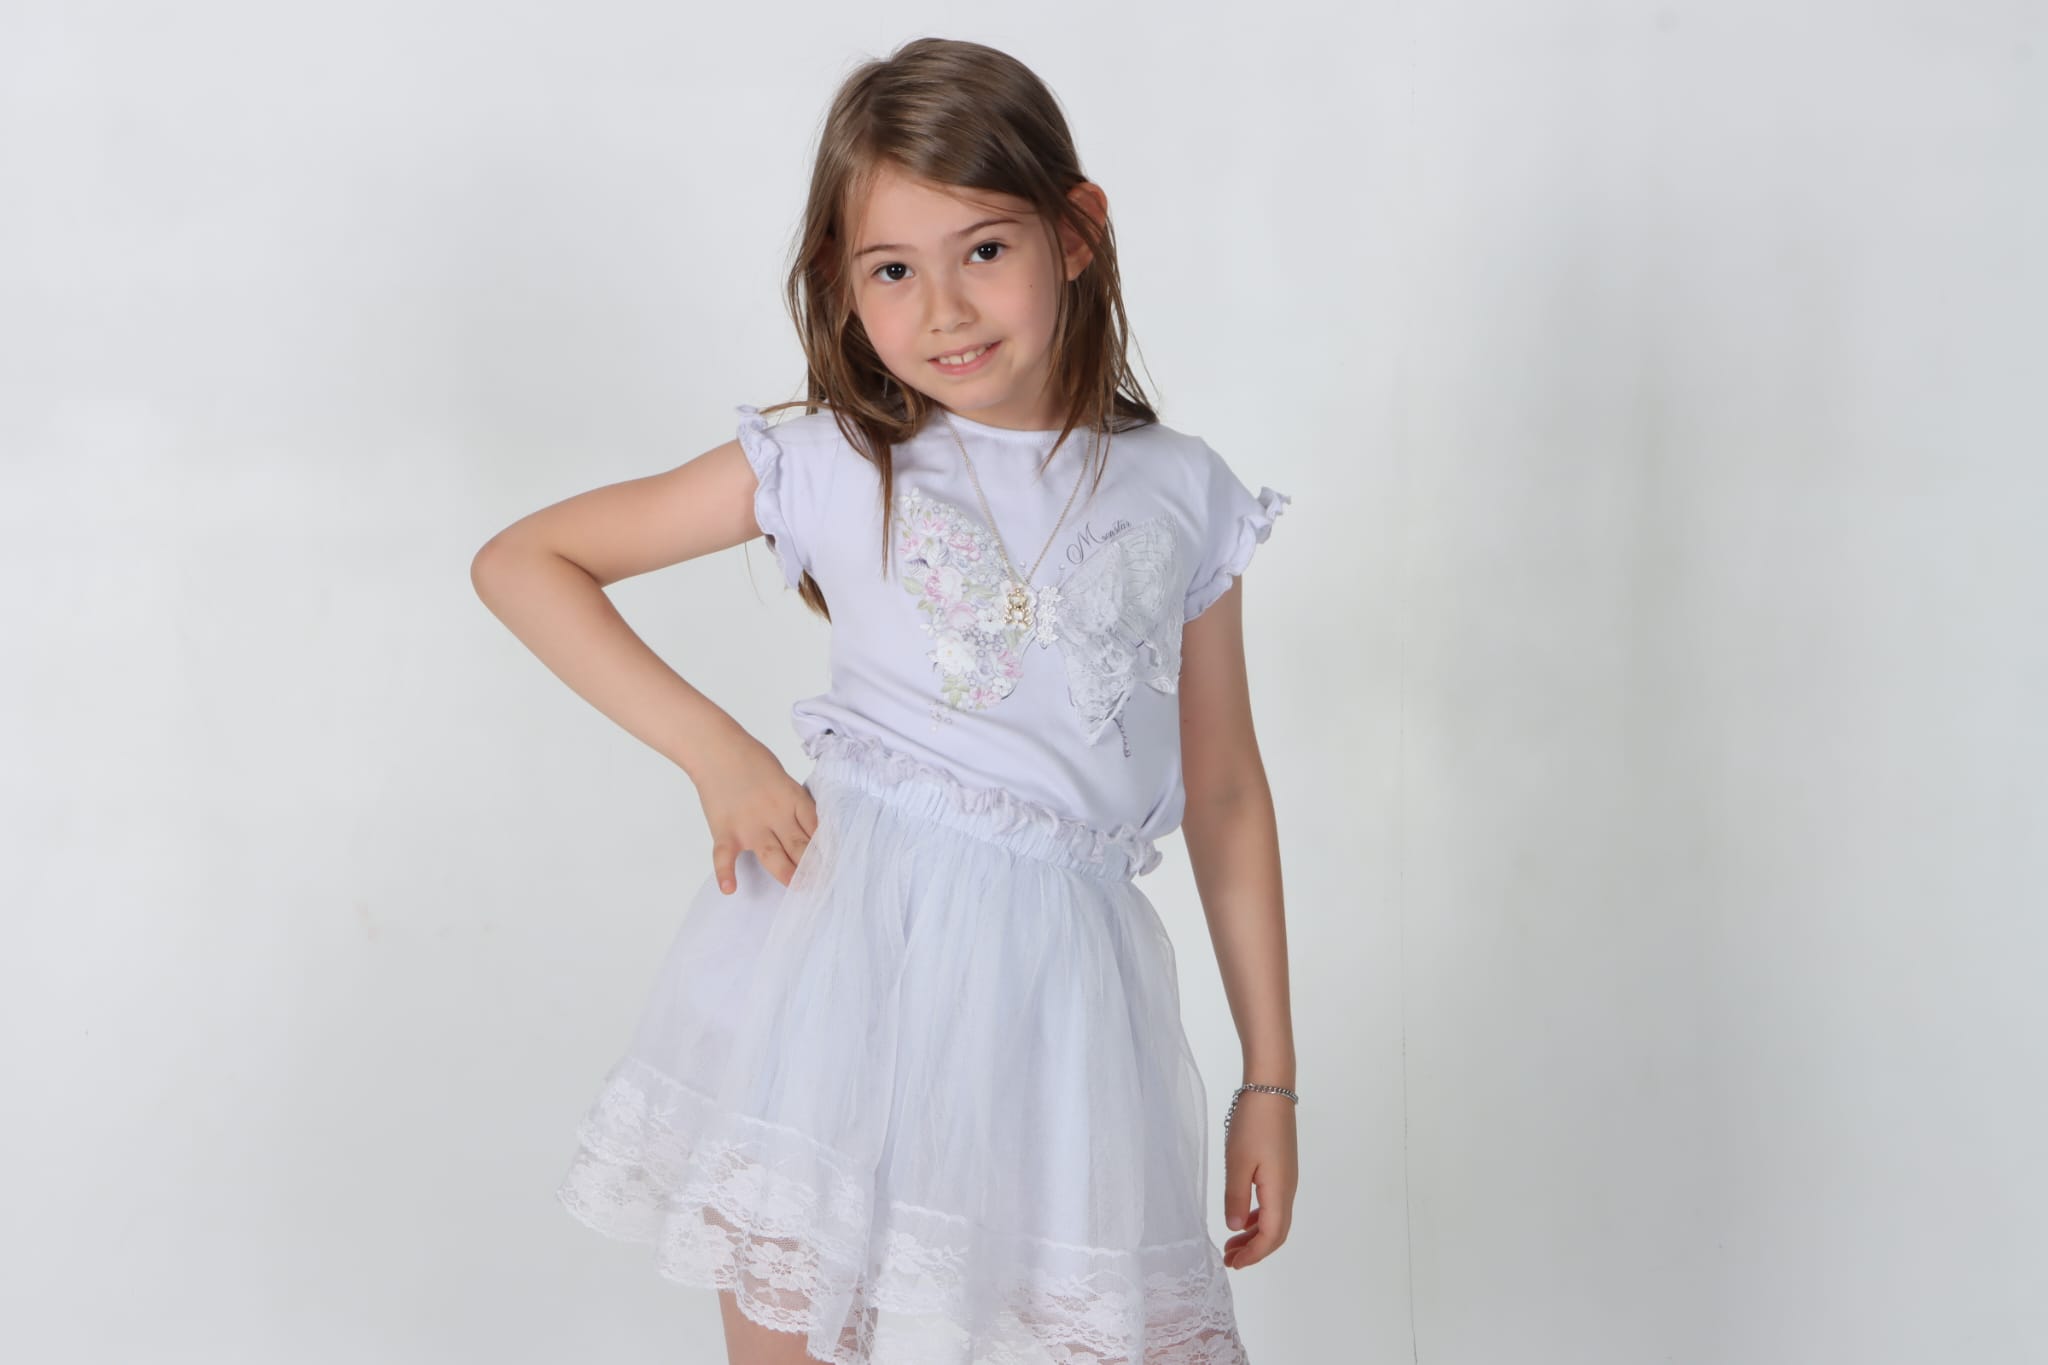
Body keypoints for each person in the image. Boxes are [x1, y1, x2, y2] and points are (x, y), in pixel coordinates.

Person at [472, 35, 1297, 1365]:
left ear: (1076, 233)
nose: (945, 310)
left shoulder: (1184, 490)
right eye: (893, 270)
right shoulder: (835, 459)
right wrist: (718, 754)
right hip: (841, 971)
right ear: (843, 286)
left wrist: (1268, 1077)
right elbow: (528, 563)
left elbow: (1227, 792)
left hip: (1063, 1019)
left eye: (985, 249)